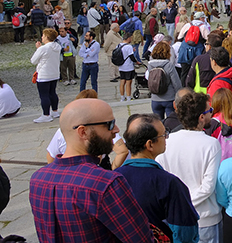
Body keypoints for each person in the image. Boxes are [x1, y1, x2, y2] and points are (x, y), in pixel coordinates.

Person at [29, 98, 154, 243]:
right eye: (109, 124)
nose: (116, 130)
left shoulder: (37, 179)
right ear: (83, 132)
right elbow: (141, 239)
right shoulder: (106, 183)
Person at [117, 114, 200, 242]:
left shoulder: (114, 179)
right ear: (149, 144)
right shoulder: (168, 183)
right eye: (163, 135)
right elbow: (185, 231)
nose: (166, 137)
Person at [157, 91, 223, 243]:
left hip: (175, 217)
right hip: (205, 217)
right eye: (209, 111)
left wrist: (178, 204)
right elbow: (208, 186)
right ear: (201, 117)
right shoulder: (211, 144)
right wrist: (185, 203)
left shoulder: (168, 141)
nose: (212, 114)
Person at [31, 27, 61, 123]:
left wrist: (38, 49)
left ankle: (46, 114)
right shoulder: (57, 46)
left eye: (43, 36)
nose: (42, 38)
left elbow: (33, 60)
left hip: (44, 74)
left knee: (44, 95)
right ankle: (55, 111)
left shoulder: (44, 48)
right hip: (54, 73)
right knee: (52, 92)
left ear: (47, 37)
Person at [148, 41, 183, 120]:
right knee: (171, 123)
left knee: (158, 124)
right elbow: (176, 83)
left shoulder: (150, 65)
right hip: (169, 98)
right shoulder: (168, 65)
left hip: (155, 98)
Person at [116, 29, 139, 102]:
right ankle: (128, 97)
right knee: (128, 82)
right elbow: (131, 57)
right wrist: (137, 62)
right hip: (128, 67)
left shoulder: (119, 45)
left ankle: (122, 97)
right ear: (128, 38)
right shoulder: (128, 47)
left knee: (122, 82)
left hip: (121, 66)